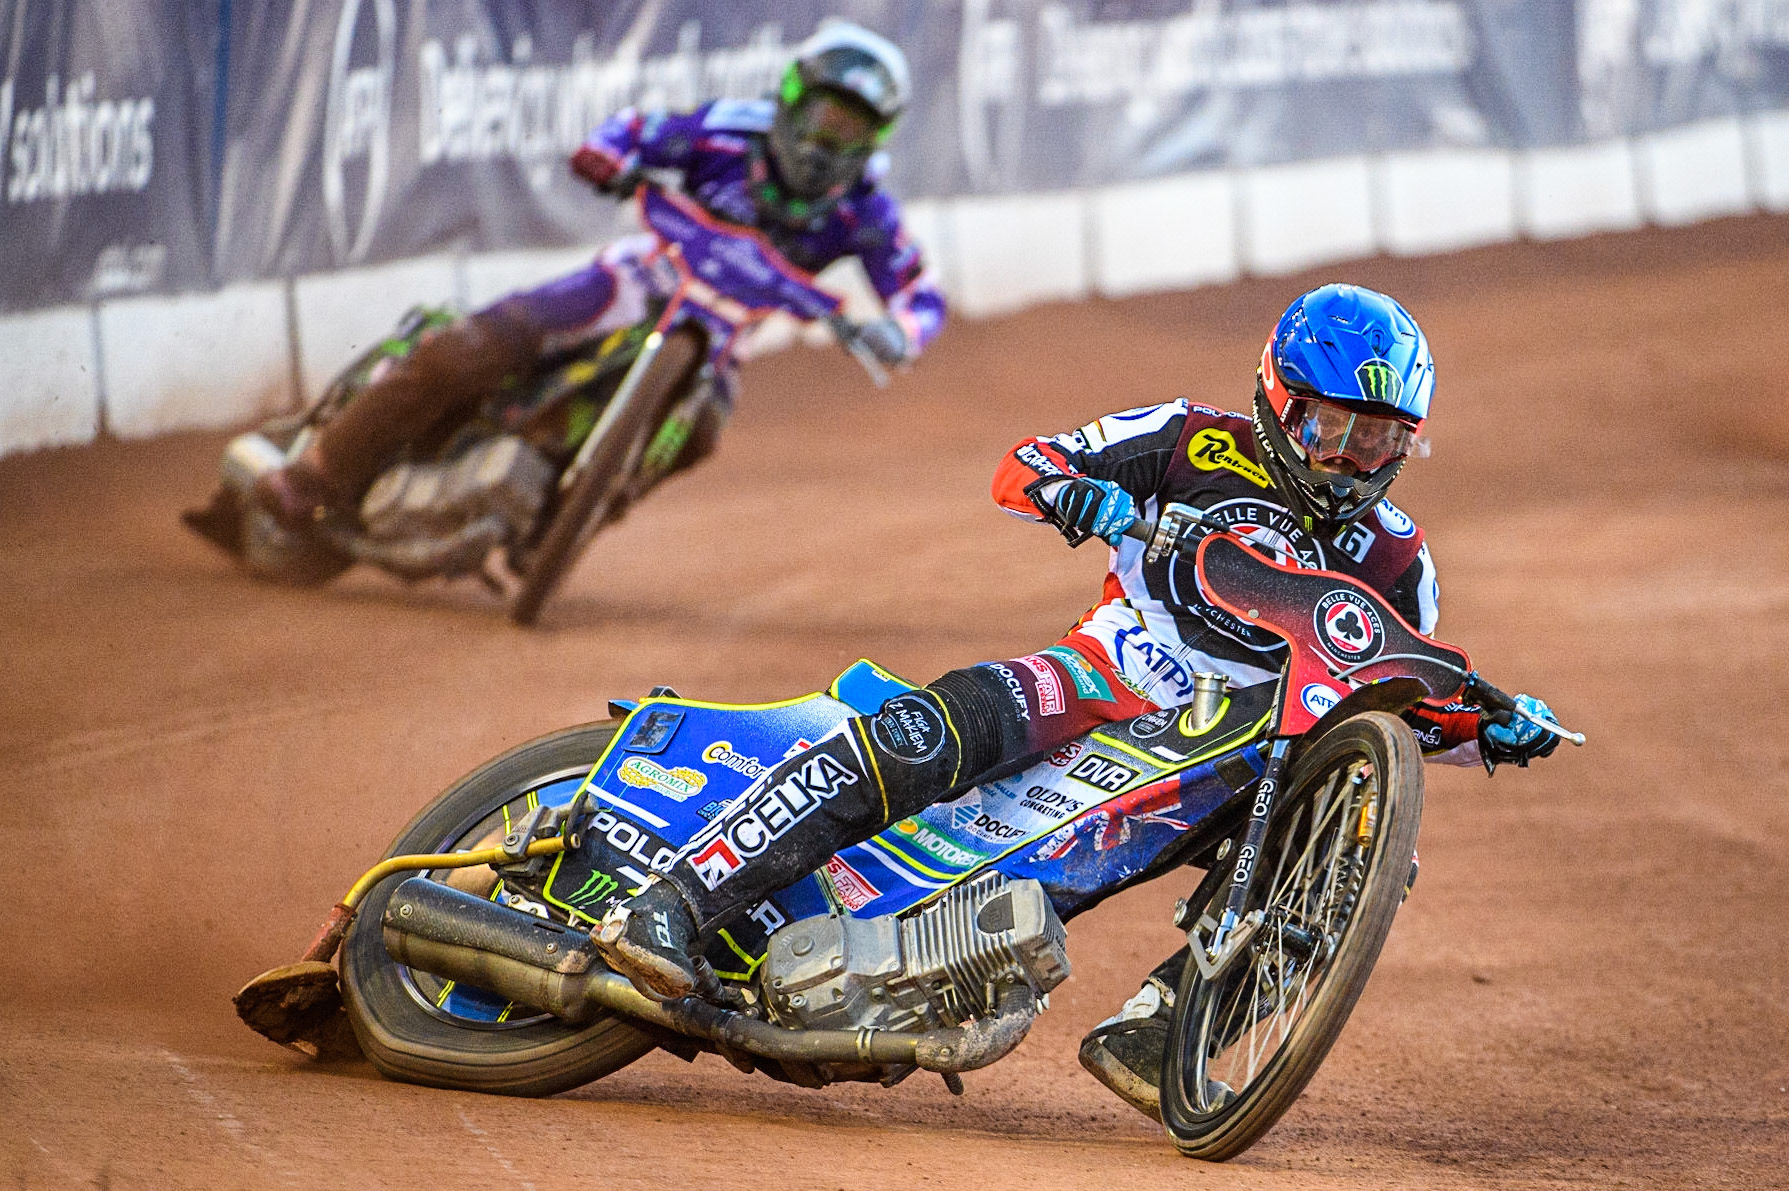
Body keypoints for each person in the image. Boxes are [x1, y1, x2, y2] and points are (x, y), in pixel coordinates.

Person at [589, 283, 1561, 1114]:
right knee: (931, 730)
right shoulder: (1189, 439)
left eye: (1378, 439)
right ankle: (669, 906)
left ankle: (1163, 1032)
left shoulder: (1400, 560)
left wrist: (1486, 728)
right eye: (1330, 429)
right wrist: (1076, 494)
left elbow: (1394, 697)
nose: (1349, 459)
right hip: (1101, 678)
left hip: (1225, 762)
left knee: (1366, 854)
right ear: (1277, 398)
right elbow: (1025, 466)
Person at [254, 22, 946, 531]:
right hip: (635, 281)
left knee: (698, 434)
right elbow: (636, 130)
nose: (831, 144)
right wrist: (606, 155)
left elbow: (921, 292)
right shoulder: (728, 133)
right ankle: (316, 469)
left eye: (853, 132)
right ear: (795, 98)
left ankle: (576, 517)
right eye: (827, 118)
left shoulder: (866, 212)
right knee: (478, 345)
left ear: (877, 139)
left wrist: (900, 330)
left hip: (721, 339)